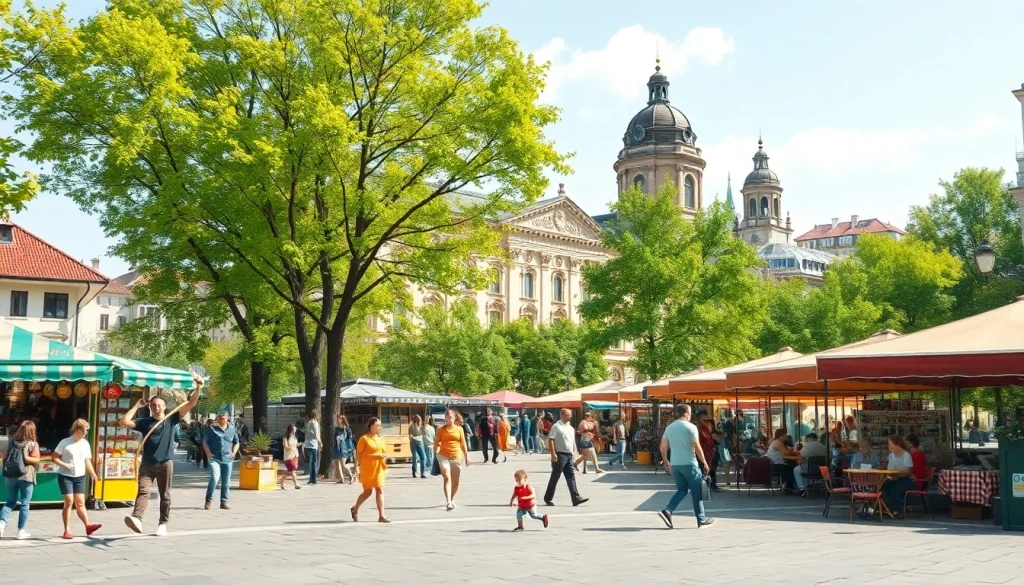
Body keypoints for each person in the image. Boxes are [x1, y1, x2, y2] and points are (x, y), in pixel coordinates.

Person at [121, 381, 202, 536]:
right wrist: (136, 406)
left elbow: (192, 402)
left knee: (165, 495)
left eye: (159, 405)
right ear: (150, 407)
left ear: (164, 407)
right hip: (147, 463)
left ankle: (163, 523)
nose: (156, 408)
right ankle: (137, 518)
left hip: (165, 463)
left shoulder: (172, 419)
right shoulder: (145, 422)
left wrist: (198, 387)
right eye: (153, 405)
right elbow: (124, 422)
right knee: (143, 491)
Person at [658, 404, 715, 529]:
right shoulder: (691, 427)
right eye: (690, 412)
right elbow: (697, 447)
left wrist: (666, 461)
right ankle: (701, 519)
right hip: (689, 464)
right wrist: (704, 462)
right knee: (697, 492)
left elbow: (663, 447)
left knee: (682, 490)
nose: (690, 415)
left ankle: (668, 510)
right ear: (685, 413)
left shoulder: (669, 428)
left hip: (676, 464)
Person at [53, 419, 101, 539]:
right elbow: (54, 457)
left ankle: (88, 525)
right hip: (65, 475)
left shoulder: (85, 443)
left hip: (80, 476)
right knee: (69, 501)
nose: (85, 433)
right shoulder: (65, 442)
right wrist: (65, 465)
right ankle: (66, 530)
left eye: (87, 430)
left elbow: (87, 460)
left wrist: (92, 473)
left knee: (80, 502)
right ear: (76, 429)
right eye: (83, 430)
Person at [0, 421, 41, 540]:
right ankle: (21, 531)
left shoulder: (12, 442)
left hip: (11, 476)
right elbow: (36, 460)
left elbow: (4, 457)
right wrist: (26, 457)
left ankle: (1, 524)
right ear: (32, 431)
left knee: (9, 502)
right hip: (26, 476)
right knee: (25, 503)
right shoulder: (33, 444)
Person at [543, 408, 588, 507]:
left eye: (570, 415)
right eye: (568, 415)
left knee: (571, 476)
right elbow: (551, 440)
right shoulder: (556, 426)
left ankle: (575, 498)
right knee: (555, 477)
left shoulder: (570, 428)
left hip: (569, 455)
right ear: (562, 415)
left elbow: (573, 443)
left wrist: (575, 457)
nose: (570, 417)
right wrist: (553, 454)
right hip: (560, 455)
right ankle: (548, 498)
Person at [351, 418, 389, 523]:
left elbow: (383, 451)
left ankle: (382, 516)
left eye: (380, 425)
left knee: (379, 489)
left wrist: (384, 457)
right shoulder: (364, 439)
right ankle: (355, 508)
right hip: (367, 468)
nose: (379, 428)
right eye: (377, 425)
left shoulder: (380, 438)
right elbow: (359, 455)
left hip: (379, 468)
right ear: (371, 426)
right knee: (368, 492)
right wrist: (356, 467)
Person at [202, 410, 240, 510]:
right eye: (220, 418)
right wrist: (208, 454)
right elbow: (205, 443)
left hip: (227, 459)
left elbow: (236, 442)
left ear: (227, 419)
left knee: (226, 481)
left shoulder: (232, 430)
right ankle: (208, 500)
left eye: (223, 418)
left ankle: (224, 502)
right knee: (215, 477)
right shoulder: (212, 430)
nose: (221, 419)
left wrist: (234, 453)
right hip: (215, 458)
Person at [435, 410, 470, 511]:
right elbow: (436, 443)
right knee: (446, 477)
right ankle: (448, 501)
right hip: (443, 455)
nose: (448, 419)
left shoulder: (459, 429)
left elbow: (463, 443)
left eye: (450, 417)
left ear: (455, 418)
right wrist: (435, 453)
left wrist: (466, 456)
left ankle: (452, 498)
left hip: (456, 456)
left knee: (456, 482)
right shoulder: (440, 429)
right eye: (446, 417)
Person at [880, 435, 916, 517]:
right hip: (893, 479)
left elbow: (907, 471)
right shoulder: (891, 456)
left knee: (893, 488)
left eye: (890, 444)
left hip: (905, 480)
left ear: (897, 444)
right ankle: (884, 508)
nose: (888, 446)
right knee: (882, 486)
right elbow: (889, 469)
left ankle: (898, 509)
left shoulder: (906, 455)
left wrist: (895, 474)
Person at [765, 428, 799, 493]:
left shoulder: (778, 442)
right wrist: (793, 450)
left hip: (774, 464)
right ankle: (789, 487)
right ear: (780, 436)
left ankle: (788, 484)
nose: (786, 437)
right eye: (785, 435)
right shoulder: (778, 443)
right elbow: (787, 453)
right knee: (791, 468)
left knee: (791, 464)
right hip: (775, 465)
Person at [333, 415, 355, 484]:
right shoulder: (336, 429)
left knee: (343, 464)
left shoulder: (347, 429)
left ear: (342, 420)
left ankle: (351, 475)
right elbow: (334, 438)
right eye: (337, 418)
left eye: (339, 418)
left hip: (344, 448)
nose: (337, 420)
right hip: (336, 447)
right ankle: (341, 479)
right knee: (336, 463)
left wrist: (350, 448)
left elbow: (350, 438)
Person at [697, 415, 716, 491]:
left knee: (706, 468)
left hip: (706, 452)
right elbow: (708, 441)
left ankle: (708, 485)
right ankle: (705, 485)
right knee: (705, 468)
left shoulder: (703, 429)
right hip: (704, 452)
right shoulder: (702, 429)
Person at [279, 424, 301, 490]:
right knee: (292, 471)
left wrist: (299, 444)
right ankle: (296, 485)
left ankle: (282, 481)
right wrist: (291, 448)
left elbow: (295, 445)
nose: (295, 430)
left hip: (295, 455)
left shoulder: (294, 437)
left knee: (290, 471)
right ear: (291, 430)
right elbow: (285, 446)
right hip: (288, 457)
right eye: (294, 429)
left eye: (295, 429)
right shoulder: (286, 437)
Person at [304, 411, 322, 485]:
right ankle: (314, 479)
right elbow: (316, 434)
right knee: (314, 462)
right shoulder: (315, 423)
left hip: (307, 444)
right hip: (313, 444)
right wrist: (320, 442)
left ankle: (311, 478)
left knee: (310, 463)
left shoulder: (307, 423)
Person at [408, 414, 427, 478]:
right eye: (416, 421)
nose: (417, 422)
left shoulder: (422, 427)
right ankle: (414, 472)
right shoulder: (411, 427)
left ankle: (422, 473)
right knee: (415, 458)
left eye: (418, 420)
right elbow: (410, 436)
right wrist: (414, 437)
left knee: (423, 457)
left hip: (420, 443)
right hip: (413, 443)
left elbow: (424, 435)